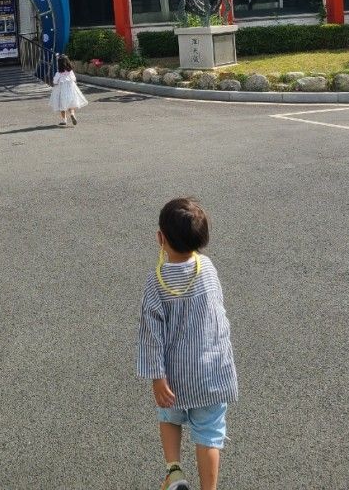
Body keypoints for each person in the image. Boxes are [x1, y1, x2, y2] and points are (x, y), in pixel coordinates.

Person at [137, 198, 238, 490]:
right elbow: (218, 314)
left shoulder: (156, 282)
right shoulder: (207, 267)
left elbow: (150, 335)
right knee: (209, 436)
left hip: (175, 375)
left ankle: (175, 472)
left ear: (161, 238)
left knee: (169, 417)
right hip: (212, 373)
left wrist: (157, 377)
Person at [49, 53, 88, 126]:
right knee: (70, 104)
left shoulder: (58, 73)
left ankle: (64, 120)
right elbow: (74, 79)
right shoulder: (70, 71)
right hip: (70, 90)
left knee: (62, 105)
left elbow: (55, 81)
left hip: (61, 91)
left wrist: (55, 83)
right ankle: (72, 114)